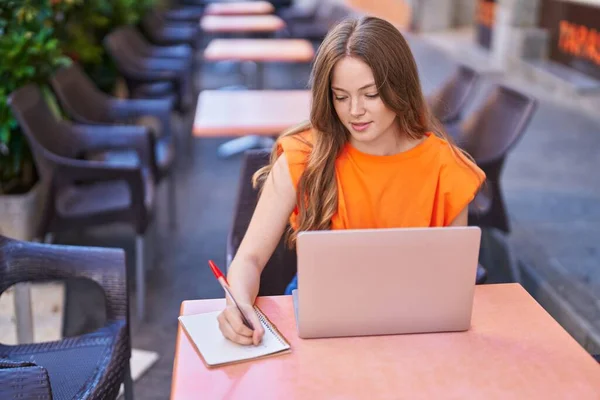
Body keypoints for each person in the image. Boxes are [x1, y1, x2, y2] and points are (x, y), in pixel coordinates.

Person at [217, 16, 485, 345]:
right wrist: (238, 304)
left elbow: (452, 287)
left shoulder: (447, 168)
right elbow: (249, 259)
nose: (354, 111)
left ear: (400, 88)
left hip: (413, 326)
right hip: (321, 321)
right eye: (340, 97)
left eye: (370, 94)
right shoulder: (304, 155)